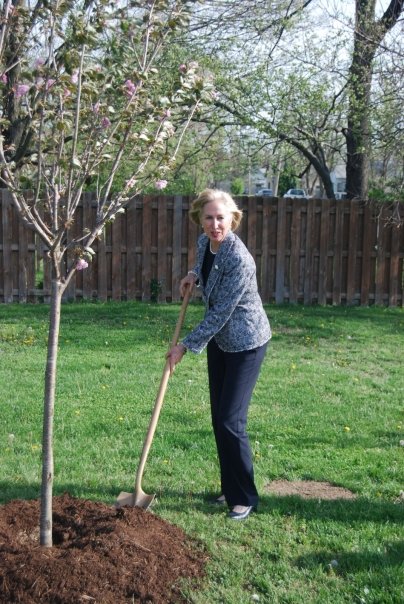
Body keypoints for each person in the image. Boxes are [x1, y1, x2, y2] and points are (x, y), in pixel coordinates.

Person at [166, 188, 271, 520]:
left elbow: (220, 312)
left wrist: (185, 345)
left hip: (246, 342)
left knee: (231, 420)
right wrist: (192, 277)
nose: (214, 225)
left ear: (233, 219)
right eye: (208, 218)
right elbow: (203, 268)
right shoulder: (204, 244)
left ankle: (245, 497)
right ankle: (230, 487)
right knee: (219, 419)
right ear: (200, 219)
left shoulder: (239, 259)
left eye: (221, 218)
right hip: (221, 342)